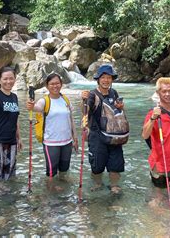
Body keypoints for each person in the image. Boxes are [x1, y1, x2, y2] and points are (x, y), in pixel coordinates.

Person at [81, 64, 126, 194]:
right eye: (103, 77)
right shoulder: (92, 95)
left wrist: (121, 107)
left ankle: (114, 185)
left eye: (109, 77)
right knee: (97, 166)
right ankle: (98, 183)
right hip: (97, 137)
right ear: (98, 79)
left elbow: (118, 112)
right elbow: (85, 112)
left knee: (115, 165)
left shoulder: (114, 92)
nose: (106, 80)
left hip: (114, 136)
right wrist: (83, 101)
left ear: (112, 79)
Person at [26, 73, 78, 184]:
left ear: (61, 84)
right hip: (51, 143)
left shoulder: (65, 100)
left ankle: (62, 188)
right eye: (52, 84)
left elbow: (71, 119)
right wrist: (31, 106)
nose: (55, 86)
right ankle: (50, 190)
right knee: (51, 171)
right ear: (47, 86)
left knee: (64, 169)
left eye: (57, 83)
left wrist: (75, 137)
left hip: (67, 142)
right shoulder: (44, 101)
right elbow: (36, 107)